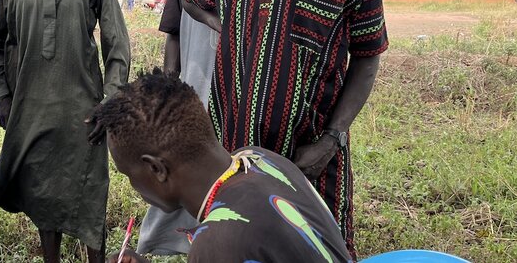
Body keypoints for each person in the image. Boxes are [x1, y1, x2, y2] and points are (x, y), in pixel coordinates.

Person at [183, 0, 389, 258]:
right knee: (238, 245)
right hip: (234, 155)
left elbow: (367, 57)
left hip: (309, 157)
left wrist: (331, 139)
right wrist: (226, 25)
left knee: (314, 248)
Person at [0, 0, 131, 262]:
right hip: (29, 106)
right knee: (42, 191)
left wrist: (111, 100)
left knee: (90, 190)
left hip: (84, 107)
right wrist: (0, 95)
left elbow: (116, 40)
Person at [93, 70, 351, 263]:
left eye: (128, 175)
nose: (134, 186)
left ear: (157, 169)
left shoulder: (217, 243)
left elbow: (230, 247)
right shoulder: (261, 159)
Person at [138, 0, 252, 255]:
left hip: (246, 97)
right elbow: (174, 30)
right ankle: (190, 246)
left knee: (238, 179)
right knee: (185, 172)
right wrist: (169, 87)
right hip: (197, 89)